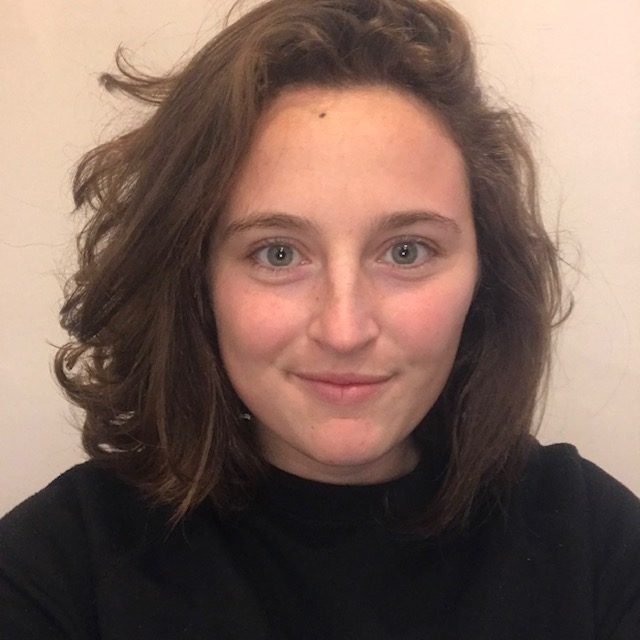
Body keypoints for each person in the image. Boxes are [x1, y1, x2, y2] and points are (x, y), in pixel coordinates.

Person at [1, 0, 638, 638]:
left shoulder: (595, 545)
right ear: (195, 280)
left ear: (486, 274)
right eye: (278, 254)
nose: (344, 330)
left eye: (407, 251)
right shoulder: (59, 570)